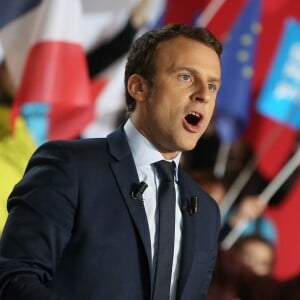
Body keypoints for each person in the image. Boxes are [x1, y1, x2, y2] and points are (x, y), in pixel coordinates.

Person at [0, 23, 222, 300]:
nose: (204, 94)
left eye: (213, 85)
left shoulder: (207, 212)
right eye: (186, 77)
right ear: (139, 87)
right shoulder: (70, 167)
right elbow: (14, 280)